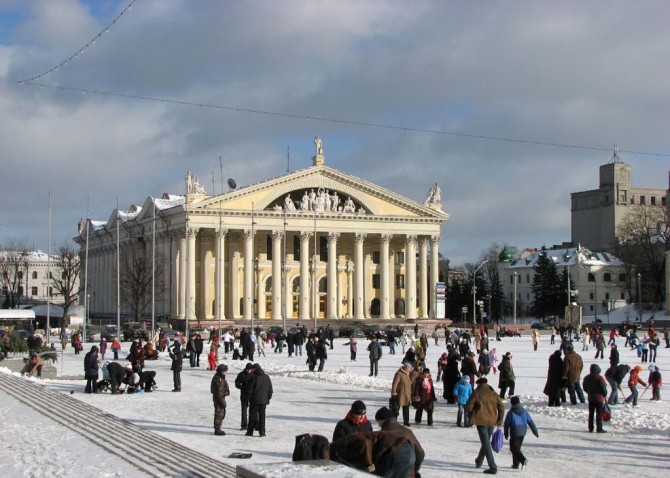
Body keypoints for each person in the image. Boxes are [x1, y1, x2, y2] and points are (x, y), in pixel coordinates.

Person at [465, 377, 505, 475]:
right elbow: (502, 407)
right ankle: (479, 460)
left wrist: (472, 414)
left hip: (480, 420)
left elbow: (469, 405)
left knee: (486, 443)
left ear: (478, 384)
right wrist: (499, 420)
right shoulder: (493, 393)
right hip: (491, 421)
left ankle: (493, 467)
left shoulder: (476, 393)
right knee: (485, 441)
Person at [374, 406, 425, 478]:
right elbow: (420, 453)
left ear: (382, 420)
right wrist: (414, 469)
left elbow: (377, 456)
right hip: (408, 474)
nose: (379, 425)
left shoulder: (383, 434)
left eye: (379, 422)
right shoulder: (408, 432)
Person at [504, 396, 539, 469]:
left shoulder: (510, 413)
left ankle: (523, 460)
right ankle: (515, 464)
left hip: (515, 432)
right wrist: (535, 431)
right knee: (517, 448)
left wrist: (506, 433)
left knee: (513, 449)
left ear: (512, 403)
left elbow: (506, 424)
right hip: (522, 432)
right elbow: (530, 422)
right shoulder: (524, 411)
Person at [246, 363, 273, 437]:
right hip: (263, 401)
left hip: (254, 400)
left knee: (252, 416)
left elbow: (250, 390)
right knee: (262, 417)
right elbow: (270, 390)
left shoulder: (253, 377)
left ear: (255, 369)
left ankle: (250, 431)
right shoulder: (267, 377)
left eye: (253, 369)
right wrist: (267, 398)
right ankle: (262, 432)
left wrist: (248, 398)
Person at [582, 363, 608, 433]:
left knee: (591, 413)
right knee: (599, 414)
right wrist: (604, 394)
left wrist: (589, 392)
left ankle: (590, 428)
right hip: (599, 398)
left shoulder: (586, 377)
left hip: (591, 398)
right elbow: (603, 388)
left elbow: (584, 387)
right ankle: (599, 428)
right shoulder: (600, 378)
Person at [391, 362, 413, 427]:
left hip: (406, 394)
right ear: (406, 368)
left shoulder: (408, 374)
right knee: (396, 408)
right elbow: (395, 384)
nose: (410, 370)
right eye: (410, 368)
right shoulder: (399, 374)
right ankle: (394, 421)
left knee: (406, 408)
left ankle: (406, 422)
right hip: (399, 394)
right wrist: (394, 392)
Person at [211, 364, 230, 436]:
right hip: (219, 398)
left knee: (221, 413)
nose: (226, 373)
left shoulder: (220, 377)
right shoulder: (218, 379)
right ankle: (217, 429)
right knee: (219, 413)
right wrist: (222, 400)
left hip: (220, 397)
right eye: (225, 371)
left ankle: (218, 427)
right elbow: (219, 391)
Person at [235, 362, 255, 431]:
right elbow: (237, 383)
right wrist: (242, 387)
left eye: (250, 369)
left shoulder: (254, 374)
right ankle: (244, 425)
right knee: (244, 410)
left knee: (253, 411)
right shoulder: (241, 374)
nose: (249, 371)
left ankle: (254, 425)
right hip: (244, 395)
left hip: (252, 395)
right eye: (247, 369)